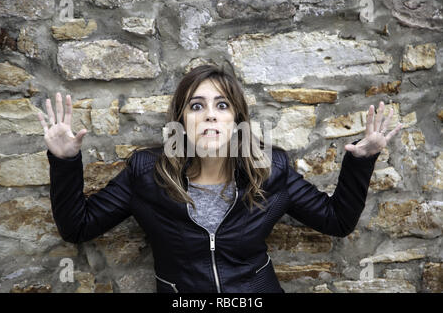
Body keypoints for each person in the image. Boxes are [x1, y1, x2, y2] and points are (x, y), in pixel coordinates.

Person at [37, 64, 403, 293]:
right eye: (197, 106)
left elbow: (337, 221)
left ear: (236, 120)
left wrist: (363, 160)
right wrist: (64, 160)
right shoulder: (146, 173)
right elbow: (77, 227)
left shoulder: (271, 169)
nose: (210, 115)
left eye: (222, 105)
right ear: (181, 121)